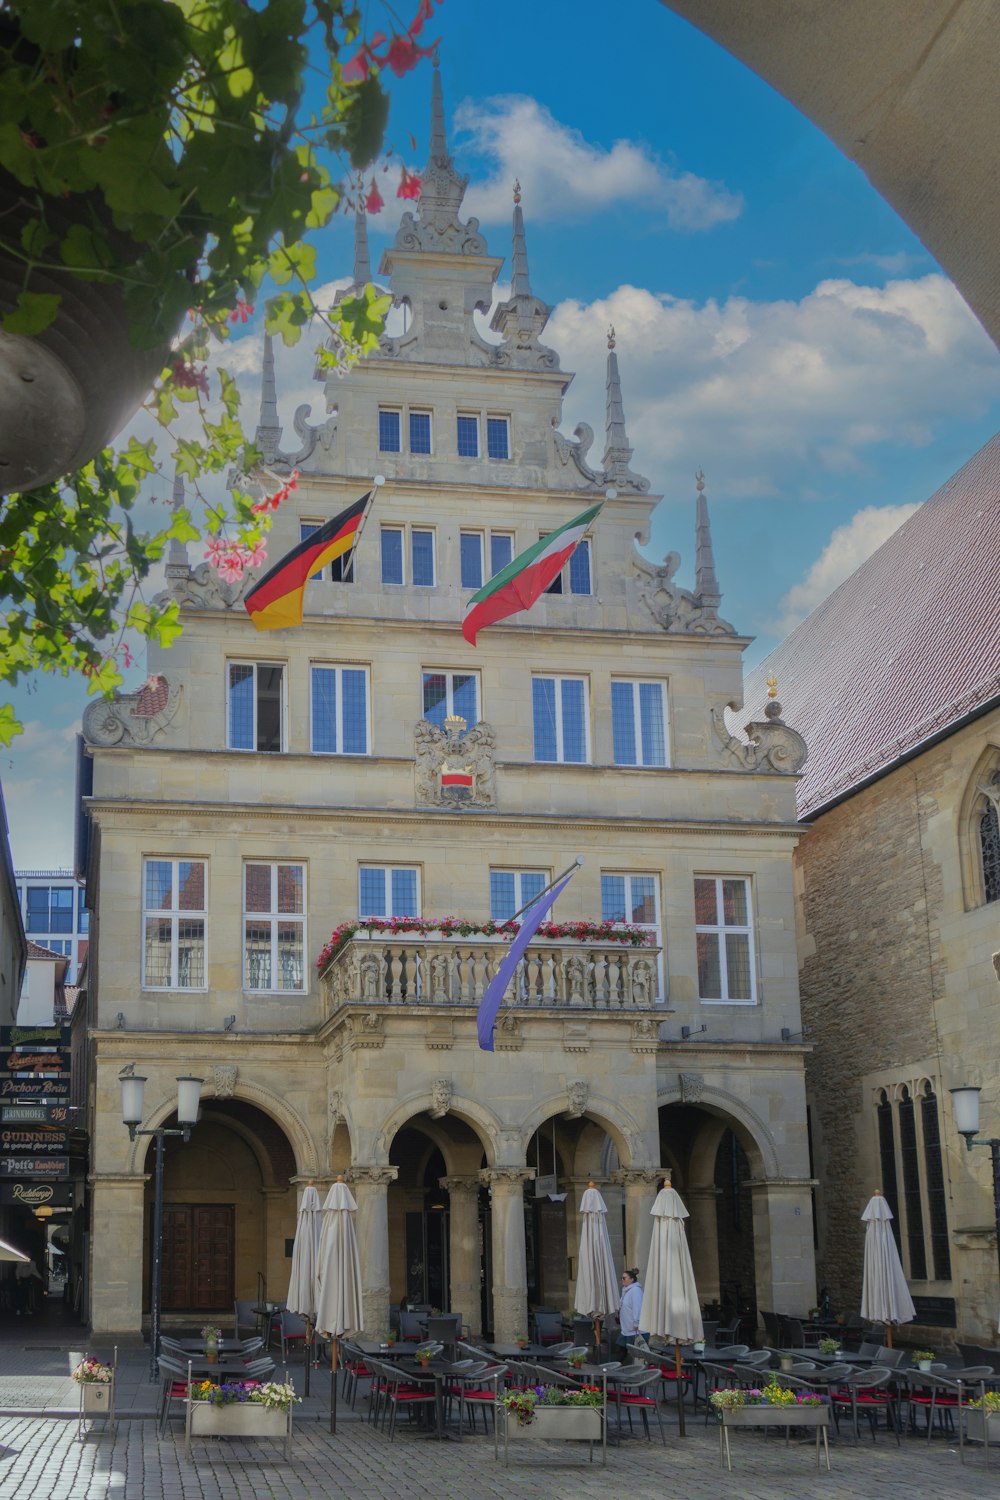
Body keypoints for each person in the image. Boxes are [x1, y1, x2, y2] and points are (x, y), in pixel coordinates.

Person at [617, 1266, 644, 1353]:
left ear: (632, 1279)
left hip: (635, 1331)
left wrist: (637, 1323)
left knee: (633, 1355)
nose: (622, 1279)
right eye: (621, 1278)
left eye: (624, 1278)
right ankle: (615, 1365)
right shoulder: (626, 1290)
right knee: (620, 1352)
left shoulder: (635, 1290)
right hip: (626, 1330)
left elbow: (638, 1307)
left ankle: (613, 1366)